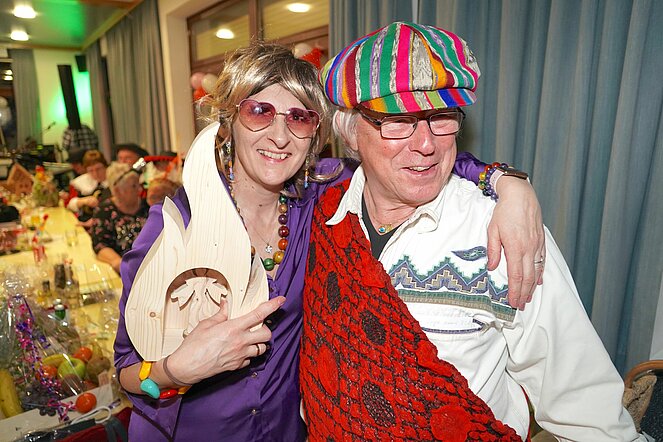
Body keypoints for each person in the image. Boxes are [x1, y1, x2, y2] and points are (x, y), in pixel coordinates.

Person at [113, 42, 544, 440]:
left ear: (316, 134)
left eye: (299, 118)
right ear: (229, 122)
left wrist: (506, 183)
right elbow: (126, 372)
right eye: (260, 112)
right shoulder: (176, 226)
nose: (280, 136)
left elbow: (410, 160)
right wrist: (176, 371)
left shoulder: (321, 200)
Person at [300, 22, 643, 441]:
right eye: (399, 122)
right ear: (351, 131)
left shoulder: (500, 233)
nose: (426, 144)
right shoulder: (321, 217)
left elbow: (584, 408)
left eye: (442, 118)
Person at [90, 162, 148, 273]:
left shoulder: (148, 206)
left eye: (139, 184)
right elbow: (100, 244)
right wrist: (119, 263)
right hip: (124, 271)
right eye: (134, 186)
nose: (140, 189)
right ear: (117, 191)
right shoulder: (104, 211)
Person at [66, 150, 109, 223]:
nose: (95, 174)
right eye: (91, 170)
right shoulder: (79, 182)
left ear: (105, 166)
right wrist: (83, 201)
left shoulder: (114, 181)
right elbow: (69, 205)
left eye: (98, 169)